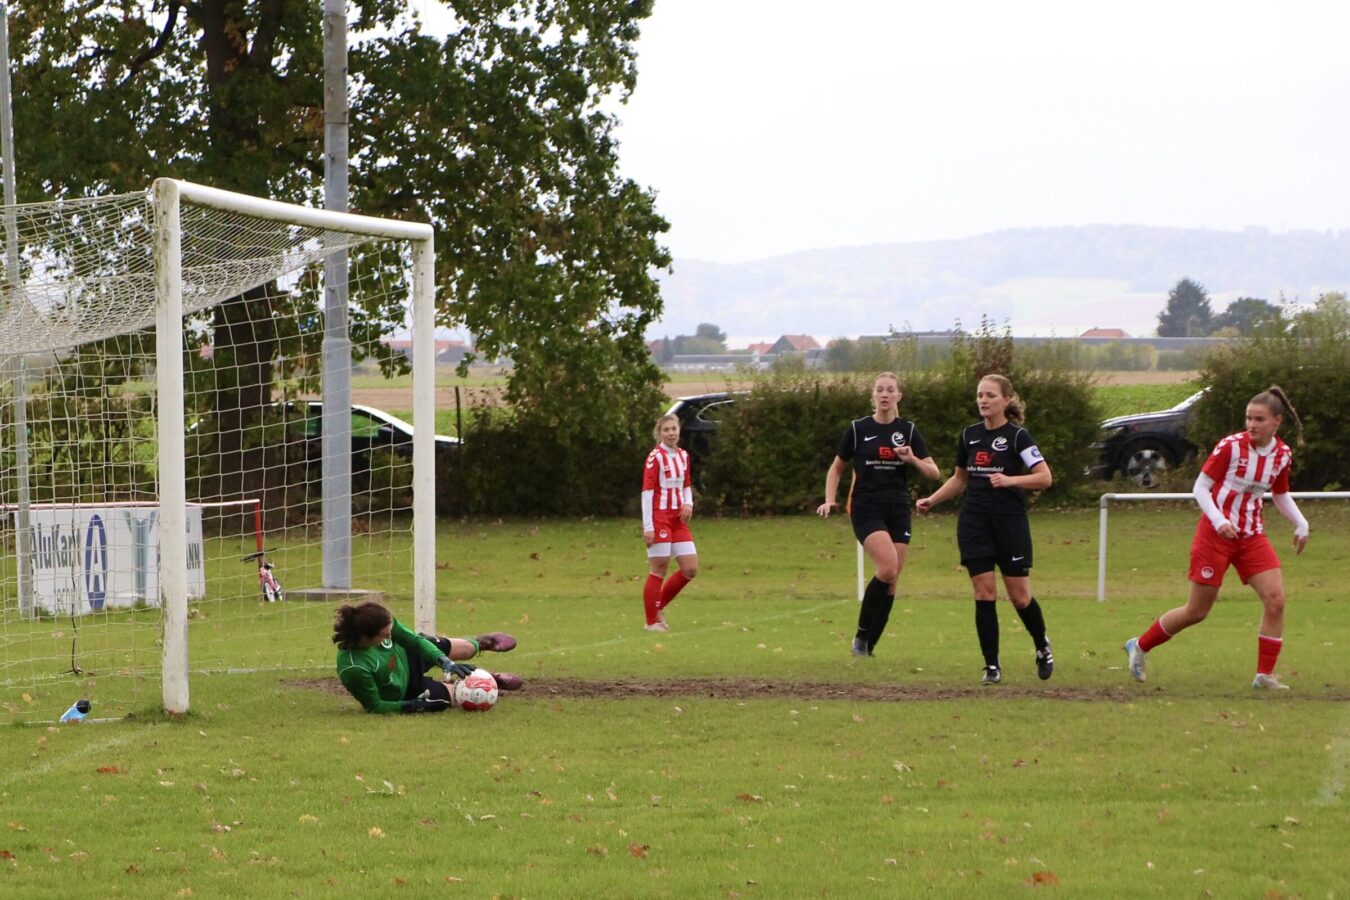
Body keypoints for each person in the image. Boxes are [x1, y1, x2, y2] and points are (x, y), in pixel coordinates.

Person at [1123, 386, 1309, 690]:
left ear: (1277, 421)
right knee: (1197, 611)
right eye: (1249, 418)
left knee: (1276, 600)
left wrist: (1301, 523)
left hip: (1251, 536)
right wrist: (1220, 520)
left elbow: (1280, 494)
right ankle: (1140, 645)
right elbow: (1200, 488)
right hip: (1215, 536)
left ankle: (1264, 675)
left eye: (1259, 419)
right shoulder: (1230, 447)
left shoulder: (1282, 454)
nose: (1252, 424)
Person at [916, 374, 1054, 684]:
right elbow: (960, 479)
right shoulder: (969, 435)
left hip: (1009, 522)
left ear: (1006, 400)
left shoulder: (1018, 437)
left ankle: (1042, 646)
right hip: (974, 522)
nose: (983, 400)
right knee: (984, 591)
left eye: (990, 395)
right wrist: (932, 500)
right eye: (980, 395)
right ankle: (991, 666)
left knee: (1020, 597)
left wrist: (1010, 481)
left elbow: (1044, 477)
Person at [817, 372, 940, 657]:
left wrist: (912, 459)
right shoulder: (858, 429)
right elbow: (836, 468)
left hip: (898, 509)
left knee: (892, 579)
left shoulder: (908, 430)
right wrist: (830, 500)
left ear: (899, 396)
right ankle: (860, 638)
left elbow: (934, 473)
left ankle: (870, 646)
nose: (885, 394)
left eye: (890, 390)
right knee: (887, 568)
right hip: (866, 508)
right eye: (880, 390)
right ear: (873, 395)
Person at [333, 601, 523, 713]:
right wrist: (410, 706)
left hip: (408, 654)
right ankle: (486, 680)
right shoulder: (354, 669)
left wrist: (444, 661)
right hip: (406, 691)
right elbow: (374, 706)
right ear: (366, 636)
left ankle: (481, 643)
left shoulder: (382, 621)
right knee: (463, 695)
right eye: (385, 635)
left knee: (460, 649)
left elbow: (415, 641)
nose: (390, 636)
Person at [641, 413, 698, 632]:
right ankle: (651, 623)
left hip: (678, 519)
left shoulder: (683, 455)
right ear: (659, 433)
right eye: (666, 430)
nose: (671, 433)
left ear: (679, 430)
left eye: (674, 429)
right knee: (659, 568)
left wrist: (688, 503)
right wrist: (648, 527)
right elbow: (647, 492)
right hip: (660, 518)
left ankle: (657, 607)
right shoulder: (655, 457)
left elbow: (686, 484)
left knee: (690, 568)